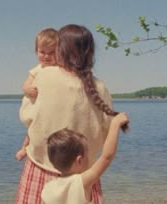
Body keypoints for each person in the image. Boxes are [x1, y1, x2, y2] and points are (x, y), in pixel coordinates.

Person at [15, 24, 129, 204]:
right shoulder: (99, 87)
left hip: (41, 167)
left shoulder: (44, 76)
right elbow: (106, 133)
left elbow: (27, 116)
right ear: (89, 53)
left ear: (60, 49)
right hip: (83, 175)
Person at [42, 112, 129, 204]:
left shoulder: (47, 188)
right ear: (79, 160)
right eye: (87, 153)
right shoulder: (81, 182)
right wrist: (115, 124)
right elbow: (106, 157)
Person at [15, 28, 58, 161]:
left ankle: (31, 150)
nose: (46, 56)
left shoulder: (59, 68)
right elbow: (25, 84)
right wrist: (27, 89)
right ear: (36, 51)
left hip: (47, 108)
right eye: (42, 52)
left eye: (52, 52)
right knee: (31, 130)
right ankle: (24, 148)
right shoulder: (37, 69)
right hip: (33, 106)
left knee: (40, 131)